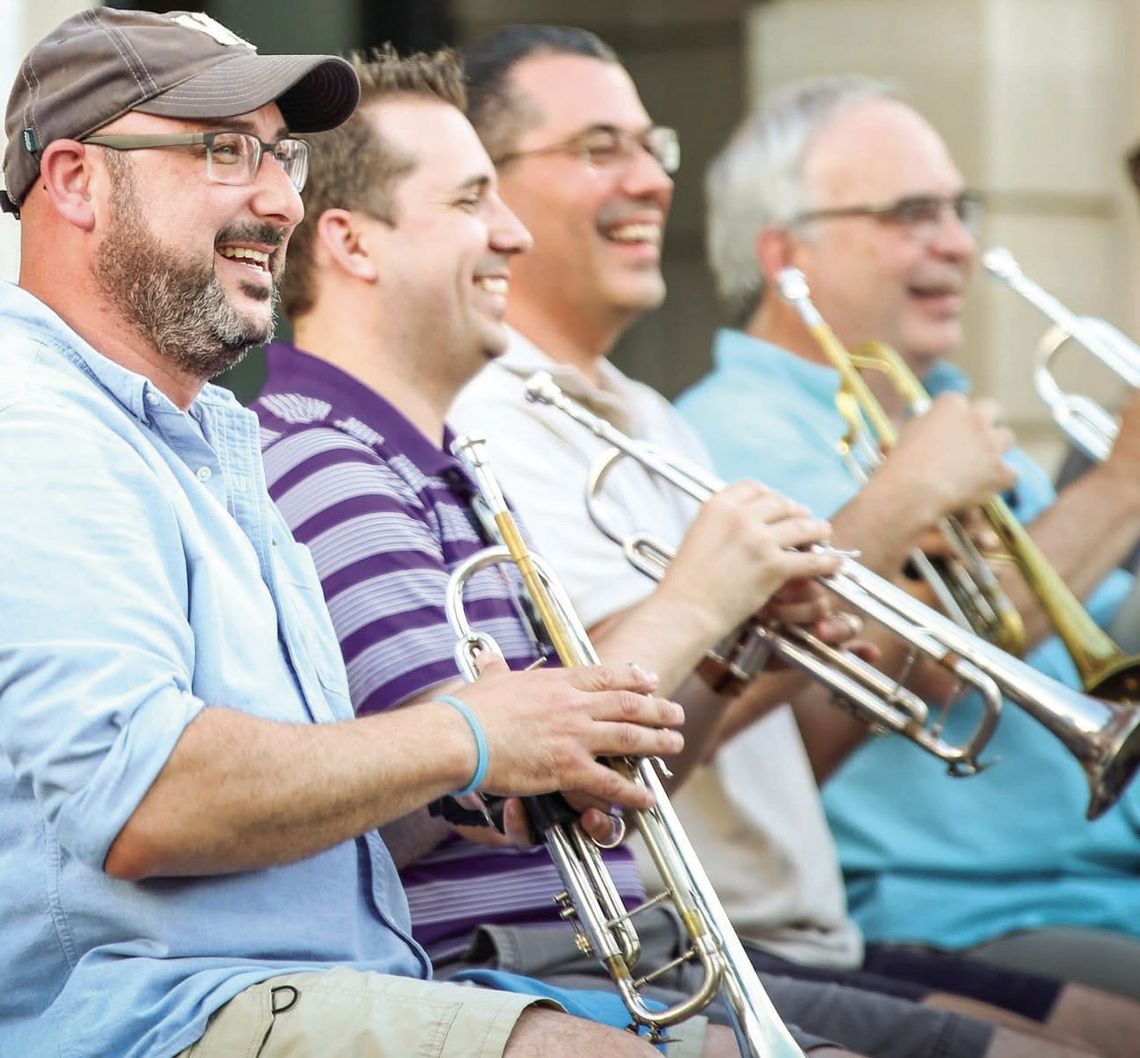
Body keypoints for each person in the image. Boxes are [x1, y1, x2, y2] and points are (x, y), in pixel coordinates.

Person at [0, 11, 721, 1058]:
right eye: (222, 150)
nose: (281, 198)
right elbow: (144, 795)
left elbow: (275, 795)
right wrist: (467, 734)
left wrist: (477, 775)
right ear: (73, 180)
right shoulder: (35, 423)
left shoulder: (206, 439)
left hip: (309, 983)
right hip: (157, 1015)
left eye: (282, 156)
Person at [443, 22, 1129, 1058]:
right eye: (598, 150)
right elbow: (597, 739)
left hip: (810, 925)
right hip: (723, 929)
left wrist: (785, 612)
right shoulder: (501, 423)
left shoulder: (640, 412)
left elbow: (800, 689)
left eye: (650, 146)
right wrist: (898, 514)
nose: (649, 181)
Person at [250, 43, 875, 1058]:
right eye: (469, 204)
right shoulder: (324, 462)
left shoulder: (435, 459)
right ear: (353, 244)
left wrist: (733, 641)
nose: (511, 234)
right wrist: (694, 599)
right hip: (515, 973)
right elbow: (478, 780)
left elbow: (607, 787)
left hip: (610, 958)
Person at [675, 75, 1140, 1002]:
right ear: (785, 256)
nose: (959, 244)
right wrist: (1125, 478)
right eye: (912, 214)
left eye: (959, 210)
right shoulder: (732, 434)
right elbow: (942, 656)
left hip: (1095, 888)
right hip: (948, 913)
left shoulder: (939, 410)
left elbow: (1106, 635)